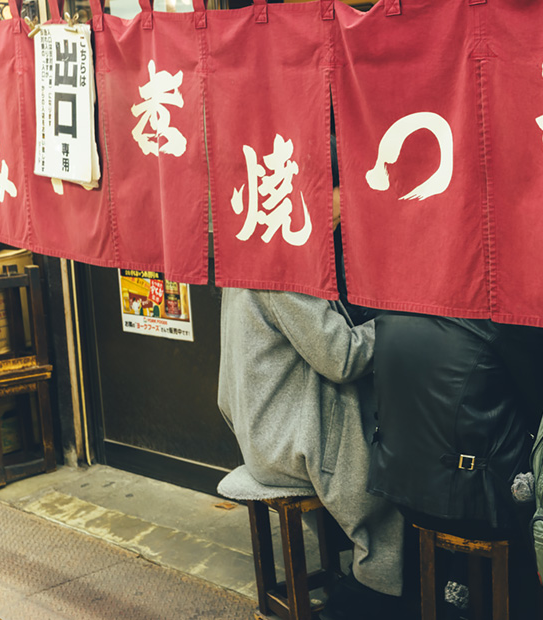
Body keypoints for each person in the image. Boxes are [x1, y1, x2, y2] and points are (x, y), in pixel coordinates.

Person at [217, 144, 406, 620]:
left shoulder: (256, 239)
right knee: (391, 480)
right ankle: (379, 593)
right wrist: (403, 324)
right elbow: (340, 356)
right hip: (280, 439)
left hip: (257, 426)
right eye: (348, 191)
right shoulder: (284, 260)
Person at [368, 313, 543, 619]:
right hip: (478, 507)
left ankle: (462, 589)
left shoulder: (394, 310)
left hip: (401, 490)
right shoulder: (506, 318)